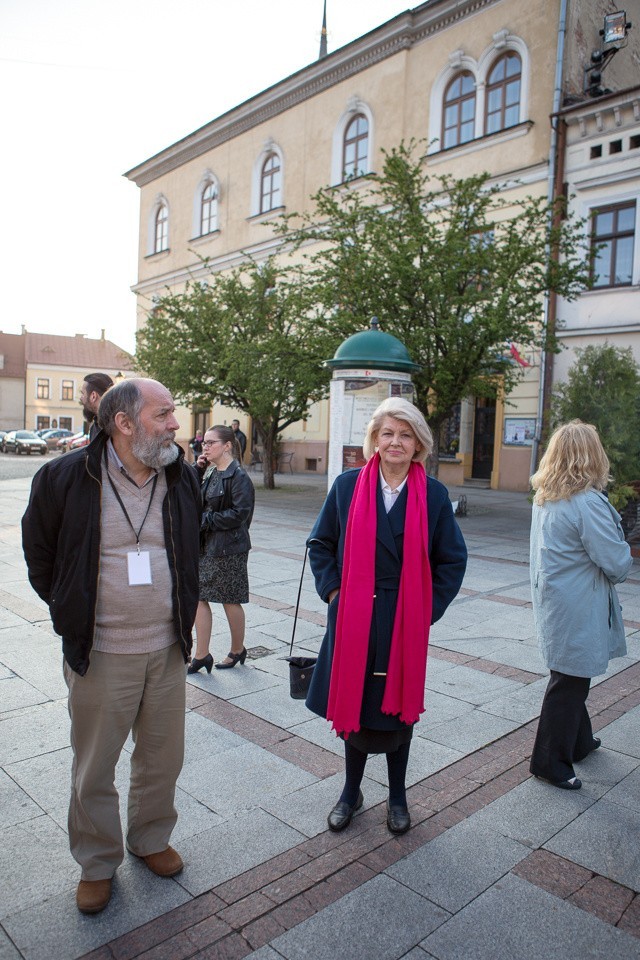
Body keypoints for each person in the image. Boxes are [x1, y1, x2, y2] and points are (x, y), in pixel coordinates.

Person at [22, 378, 201, 915]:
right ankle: (97, 862)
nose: (175, 424)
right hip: (100, 651)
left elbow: (193, 542)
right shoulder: (64, 477)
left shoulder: (181, 477)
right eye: (164, 414)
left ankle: (150, 838)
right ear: (123, 423)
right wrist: (70, 611)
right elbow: (40, 556)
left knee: (162, 756)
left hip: (167, 647)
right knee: (94, 765)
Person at [305, 397, 467, 834]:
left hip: (403, 619)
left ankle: (398, 796)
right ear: (374, 440)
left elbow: (452, 559)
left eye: (405, 434)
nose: (395, 442)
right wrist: (335, 592)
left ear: (419, 445)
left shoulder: (433, 495)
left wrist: (425, 610)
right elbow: (320, 545)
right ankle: (350, 792)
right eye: (387, 433)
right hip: (354, 615)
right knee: (355, 704)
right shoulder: (346, 486)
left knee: (398, 712)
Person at [529, 420, 633, 790]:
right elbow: (616, 562)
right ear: (592, 456)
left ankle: (580, 742)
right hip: (577, 605)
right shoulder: (587, 502)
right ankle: (549, 762)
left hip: (557, 601)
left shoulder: (546, 497)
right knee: (569, 681)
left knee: (573, 675)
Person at [189, 424, 255, 673]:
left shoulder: (239, 477)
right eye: (204, 442)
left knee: (229, 599)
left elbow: (240, 513)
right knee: (199, 597)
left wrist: (205, 521)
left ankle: (237, 649)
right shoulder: (212, 471)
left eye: (210, 443)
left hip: (229, 548)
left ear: (227, 446)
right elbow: (193, 496)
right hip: (207, 545)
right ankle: (201, 654)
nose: (205, 447)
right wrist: (198, 468)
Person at [80, 372, 114, 440]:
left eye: (83, 393)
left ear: (93, 396)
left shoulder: (114, 426)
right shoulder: (96, 425)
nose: (81, 398)